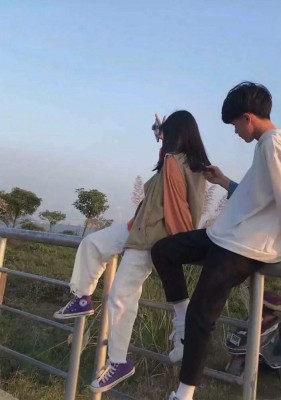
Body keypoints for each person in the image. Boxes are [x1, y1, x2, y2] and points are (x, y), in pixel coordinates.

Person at [150, 82, 281, 400]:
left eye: (235, 125)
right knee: (164, 251)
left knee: (203, 313)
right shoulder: (268, 144)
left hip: (244, 245)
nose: (236, 132)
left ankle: (184, 394)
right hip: (226, 234)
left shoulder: (275, 144)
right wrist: (224, 181)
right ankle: (181, 322)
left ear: (247, 118)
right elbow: (259, 198)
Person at [53, 110, 210, 393]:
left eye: (166, 132)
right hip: (137, 226)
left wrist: (177, 242)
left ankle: (118, 361)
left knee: (121, 296)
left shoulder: (177, 163)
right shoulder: (184, 163)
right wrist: (160, 133)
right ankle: (82, 297)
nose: (162, 137)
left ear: (177, 134)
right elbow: (158, 199)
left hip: (152, 237)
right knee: (93, 243)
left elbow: (179, 210)